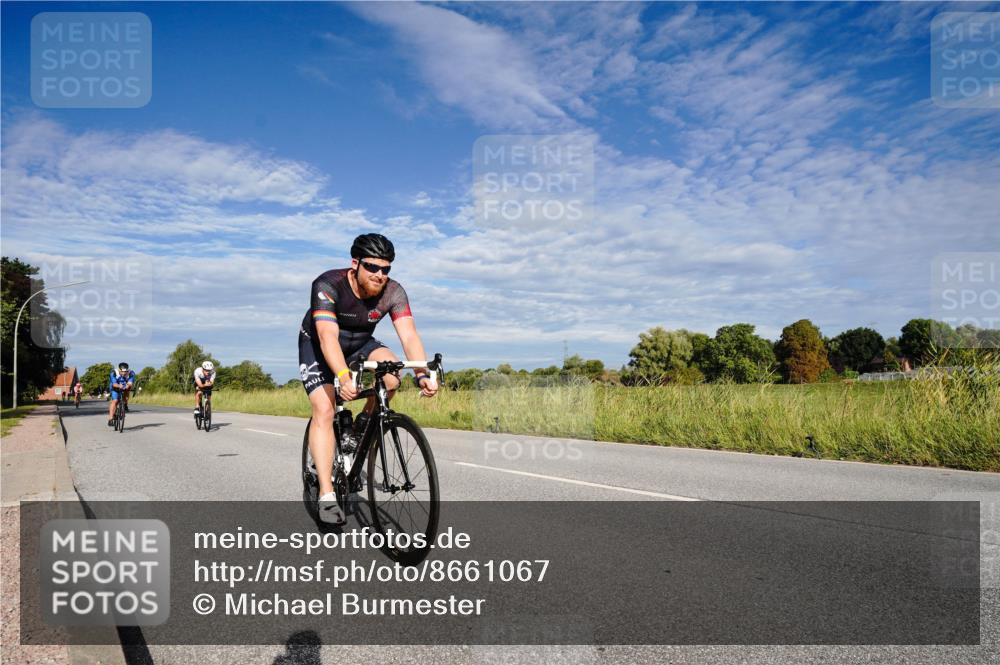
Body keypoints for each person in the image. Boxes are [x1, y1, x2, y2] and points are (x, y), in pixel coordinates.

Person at [299, 233, 438, 524]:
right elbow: (327, 337)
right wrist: (342, 376)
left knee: (391, 376)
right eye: (372, 267)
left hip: (361, 343)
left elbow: (409, 335)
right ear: (355, 264)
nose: (380, 275)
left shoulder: (394, 292)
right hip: (319, 344)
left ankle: (361, 427)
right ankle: (326, 494)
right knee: (324, 409)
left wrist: (422, 373)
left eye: (386, 269)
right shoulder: (327, 285)